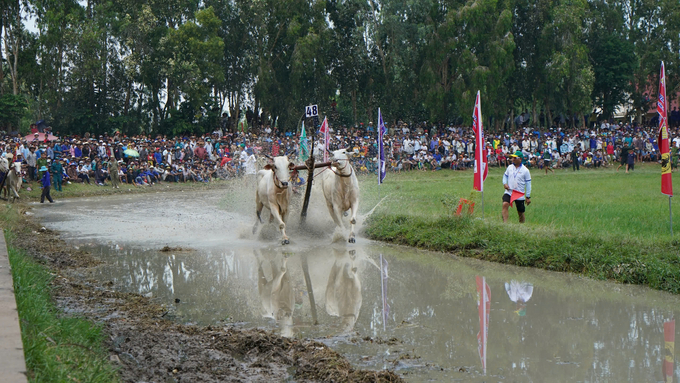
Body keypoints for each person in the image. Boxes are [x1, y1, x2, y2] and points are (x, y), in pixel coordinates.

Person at [502, 151, 531, 223]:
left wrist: (528, 196)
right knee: (505, 204)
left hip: (519, 193)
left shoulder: (525, 170)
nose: (513, 159)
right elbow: (505, 176)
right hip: (509, 191)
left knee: (520, 212)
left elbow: (528, 184)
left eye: (515, 158)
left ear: (520, 159)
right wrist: (505, 183)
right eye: (512, 158)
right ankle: (505, 224)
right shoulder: (510, 167)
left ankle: (521, 226)